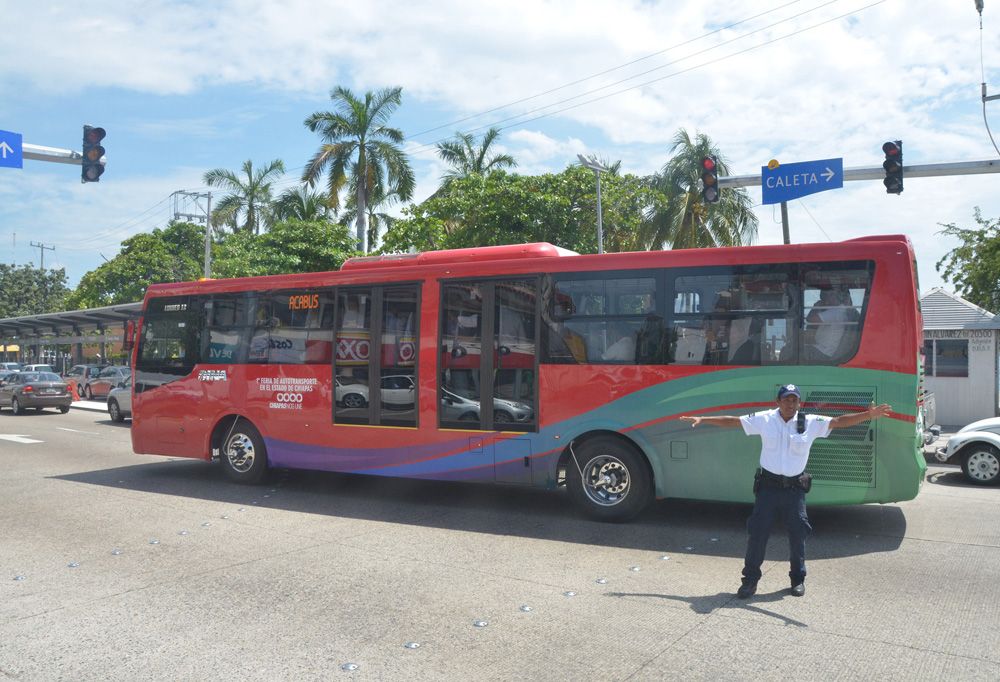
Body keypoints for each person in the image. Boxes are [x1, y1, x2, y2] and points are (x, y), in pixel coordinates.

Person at [681, 384, 891, 599]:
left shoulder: (809, 422)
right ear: (778, 401)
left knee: (798, 533)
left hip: (794, 489)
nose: (791, 404)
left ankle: (797, 579)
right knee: (758, 533)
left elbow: (838, 422)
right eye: (787, 400)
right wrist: (704, 419)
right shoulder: (765, 419)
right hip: (768, 488)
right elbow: (733, 421)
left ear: (799, 403)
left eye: (794, 400)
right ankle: (750, 581)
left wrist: (868, 415)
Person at [805, 287, 859, 362]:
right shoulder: (840, 311)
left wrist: (816, 306)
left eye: (830, 296)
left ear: (838, 297)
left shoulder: (836, 312)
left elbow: (810, 319)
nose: (827, 300)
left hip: (822, 352)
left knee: (792, 350)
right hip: (823, 350)